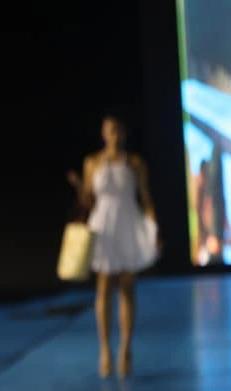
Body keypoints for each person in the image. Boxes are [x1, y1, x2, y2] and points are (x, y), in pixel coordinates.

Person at [67, 116, 157, 377]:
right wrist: (78, 186)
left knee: (127, 287)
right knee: (104, 286)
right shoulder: (92, 162)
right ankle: (105, 348)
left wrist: (153, 227)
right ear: (103, 133)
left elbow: (146, 197)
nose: (114, 135)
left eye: (118, 130)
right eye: (109, 130)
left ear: (124, 133)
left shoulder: (135, 162)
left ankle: (126, 348)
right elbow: (88, 198)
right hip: (103, 225)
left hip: (128, 223)